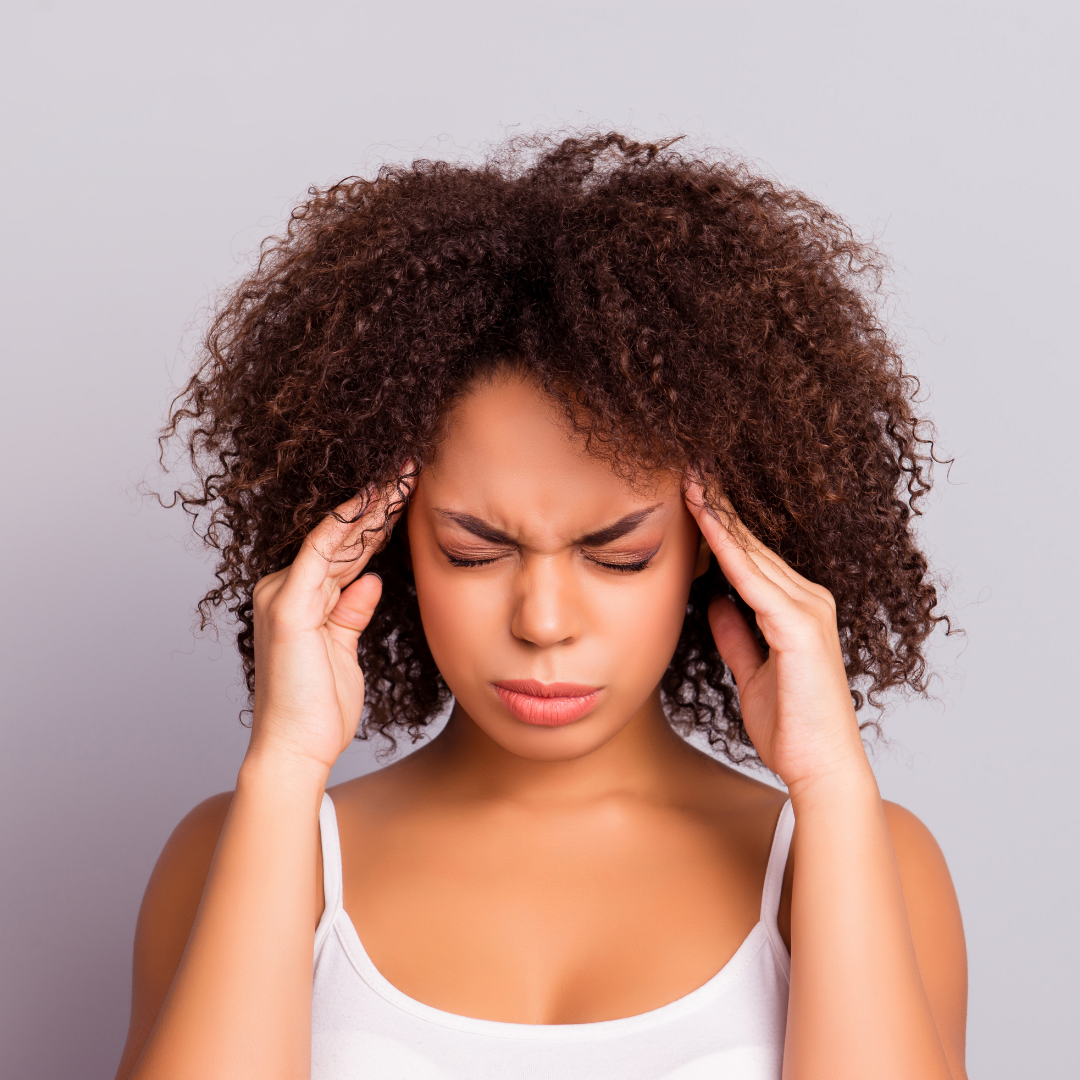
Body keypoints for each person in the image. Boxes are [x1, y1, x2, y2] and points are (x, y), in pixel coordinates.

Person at [115, 133, 968, 1080]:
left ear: (716, 550)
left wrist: (832, 785)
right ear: (390, 542)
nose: (544, 620)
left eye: (620, 555)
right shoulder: (235, 851)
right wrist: (282, 772)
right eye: (474, 551)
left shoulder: (866, 859)